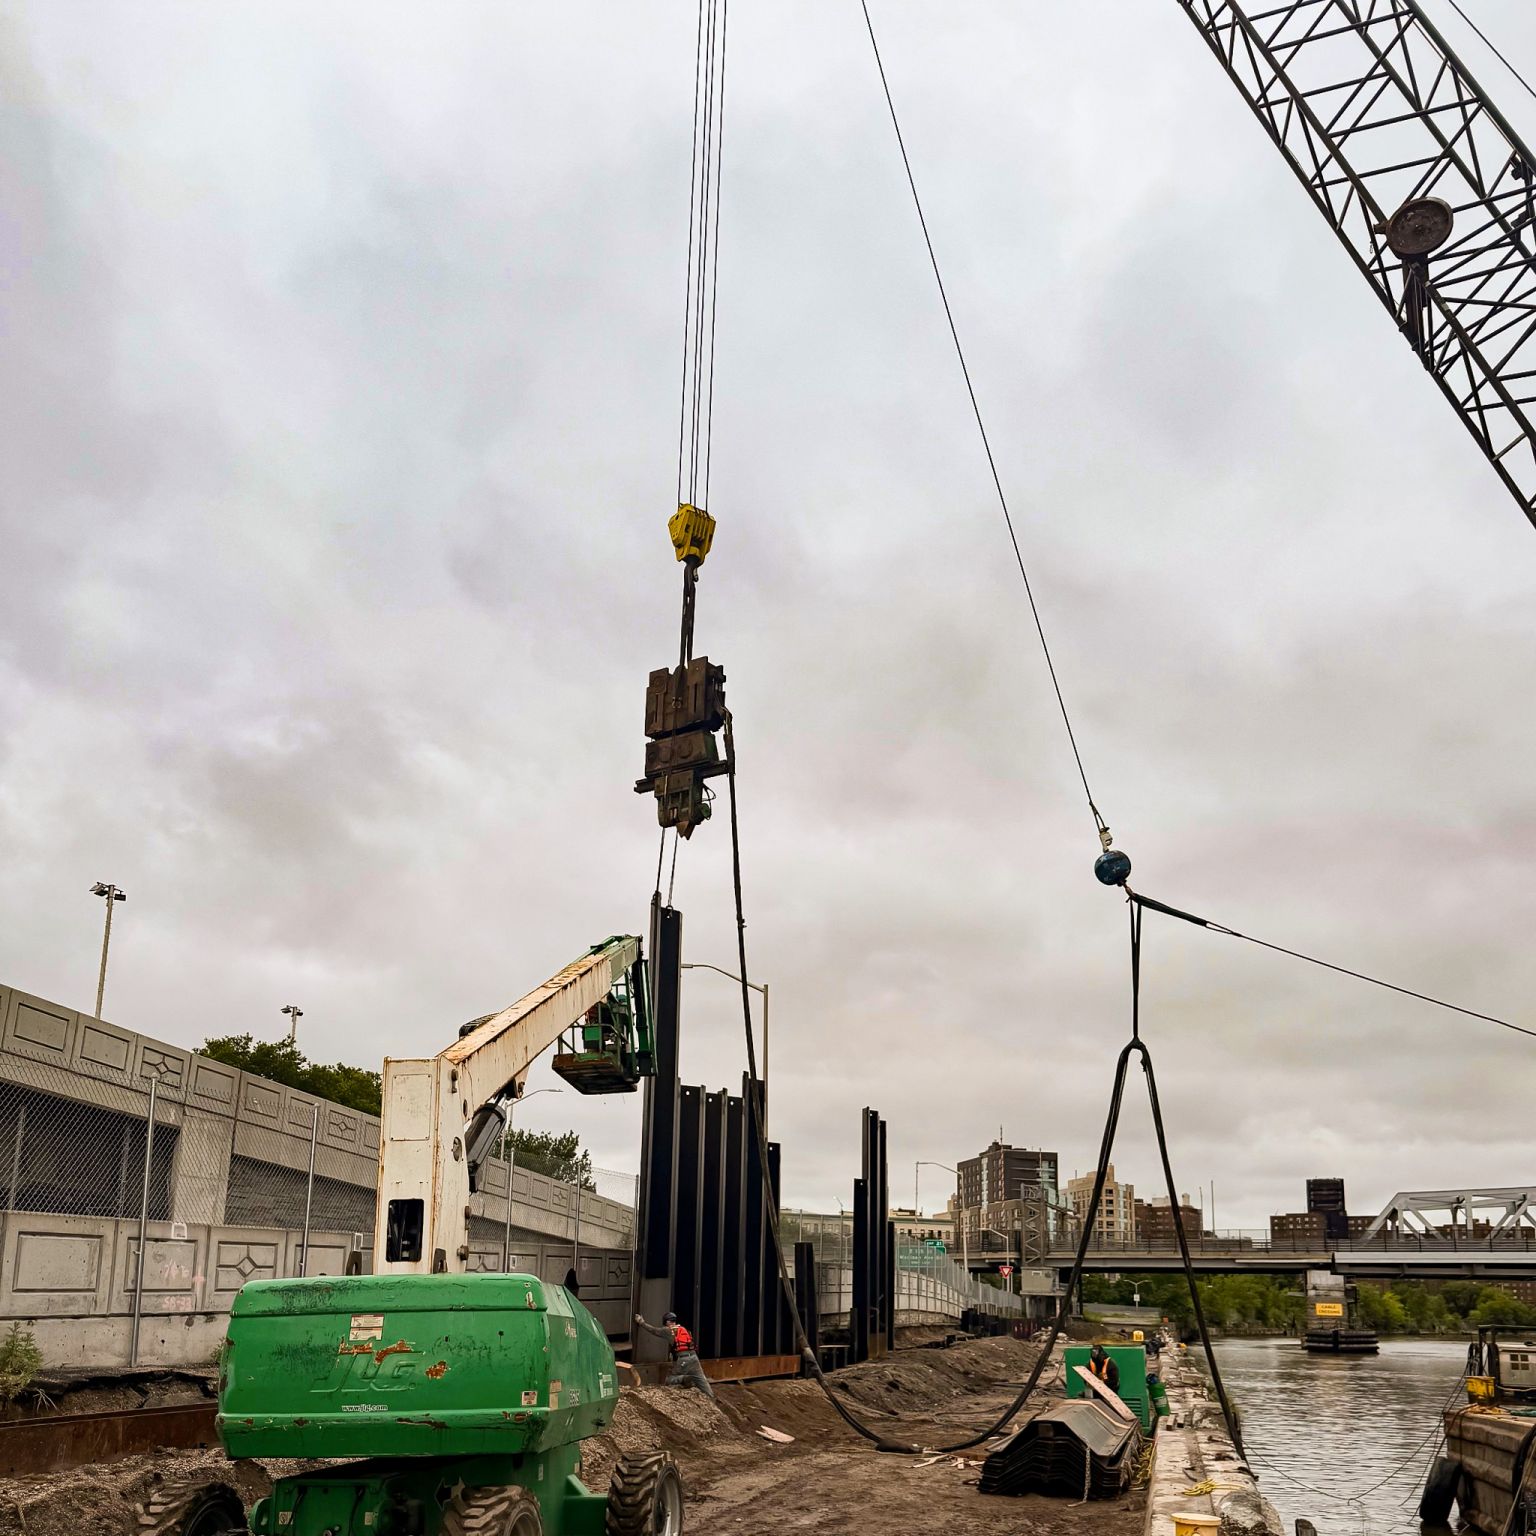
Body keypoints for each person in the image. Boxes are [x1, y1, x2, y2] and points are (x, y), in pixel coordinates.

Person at [635, 1311, 715, 1399]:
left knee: (669, 1380)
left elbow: (654, 1330)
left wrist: (641, 1322)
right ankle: (711, 1397)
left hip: (684, 1360)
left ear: (667, 1321)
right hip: (694, 1358)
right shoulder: (683, 1329)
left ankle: (686, 1378)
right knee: (702, 1381)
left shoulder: (668, 1330)